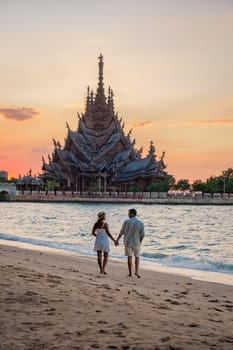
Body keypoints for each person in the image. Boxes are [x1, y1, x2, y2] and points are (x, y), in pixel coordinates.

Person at [115, 208, 145, 278]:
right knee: (137, 257)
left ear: (132, 214)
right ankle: (137, 272)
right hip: (136, 242)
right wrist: (140, 242)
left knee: (129, 257)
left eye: (129, 213)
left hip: (128, 242)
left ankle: (130, 273)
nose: (128, 214)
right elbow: (142, 234)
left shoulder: (126, 222)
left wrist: (117, 240)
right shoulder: (140, 222)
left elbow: (121, 232)